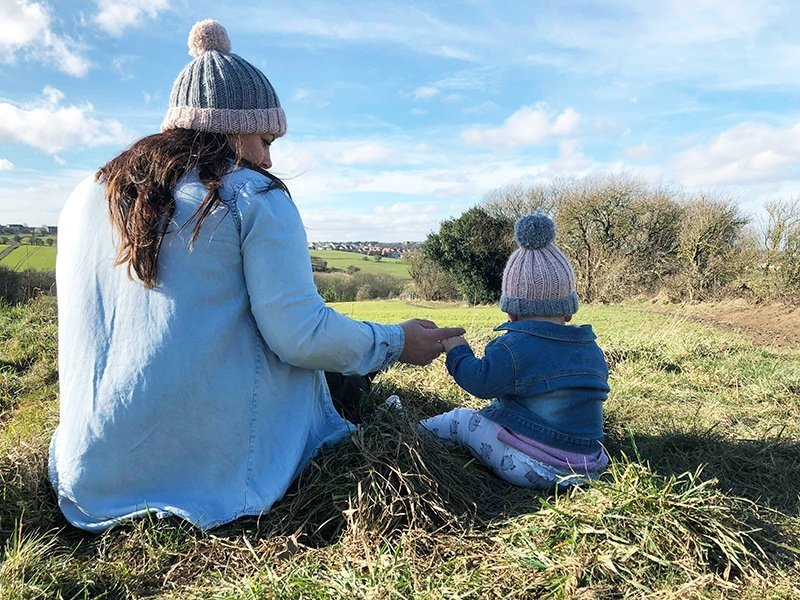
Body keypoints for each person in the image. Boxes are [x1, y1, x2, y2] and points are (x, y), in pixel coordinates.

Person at [49, 19, 463, 532]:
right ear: (228, 125)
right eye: (265, 138)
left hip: (90, 476)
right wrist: (396, 341)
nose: (269, 157)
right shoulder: (251, 195)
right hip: (216, 478)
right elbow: (301, 336)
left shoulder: (87, 194)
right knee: (339, 371)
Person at [418, 212, 610, 489]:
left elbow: (480, 381)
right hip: (587, 467)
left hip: (533, 467)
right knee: (495, 414)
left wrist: (456, 349)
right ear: (568, 312)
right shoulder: (591, 348)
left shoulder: (513, 348)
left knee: (461, 420)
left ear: (511, 313)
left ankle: (407, 434)